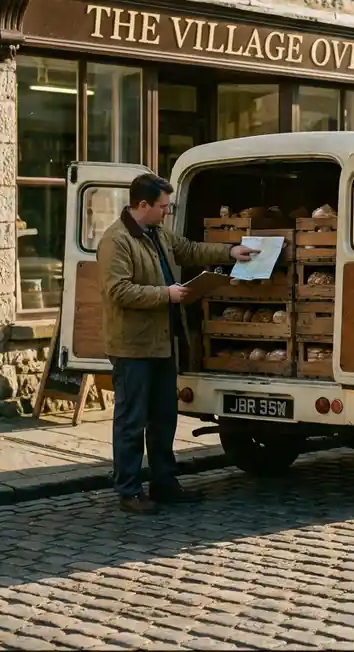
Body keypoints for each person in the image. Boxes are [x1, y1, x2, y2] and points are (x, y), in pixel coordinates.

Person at [97, 173, 259, 514]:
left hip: (164, 343)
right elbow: (118, 291)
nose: (166, 212)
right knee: (131, 422)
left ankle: (165, 483)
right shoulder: (116, 240)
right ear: (143, 204)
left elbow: (189, 250)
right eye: (162, 207)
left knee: (163, 419)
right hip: (133, 347)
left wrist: (231, 251)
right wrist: (166, 294)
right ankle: (129, 491)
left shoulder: (158, 233)